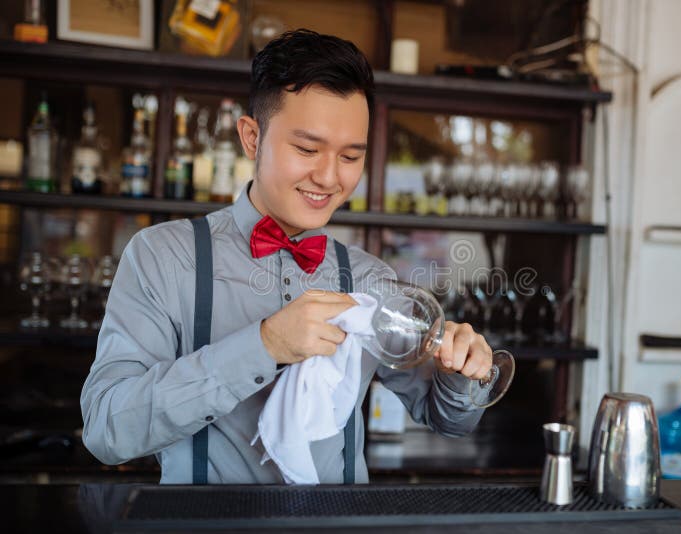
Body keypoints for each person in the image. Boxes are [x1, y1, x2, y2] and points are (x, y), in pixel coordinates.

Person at [80, 29, 494, 484]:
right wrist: (263, 345)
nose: (329, 177)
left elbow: (449, 421)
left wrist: (462, 372)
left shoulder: (369, 279)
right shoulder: (162, 256)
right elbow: (107, 431)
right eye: (307, 149)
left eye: (351, 156)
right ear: (252, 137)